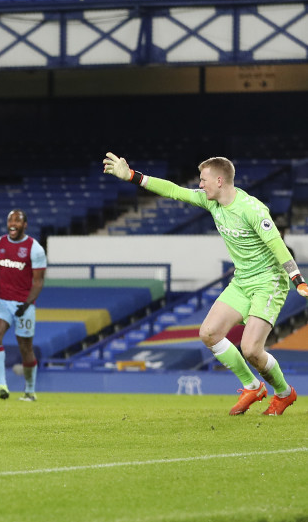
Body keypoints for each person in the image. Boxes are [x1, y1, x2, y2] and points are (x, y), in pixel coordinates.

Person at [103, 152, 305, 415]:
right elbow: (174, 191)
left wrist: (297, 279)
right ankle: (252, 386)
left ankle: (284, 393)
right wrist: (132, 176)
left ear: (219, 181)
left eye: (203, 179)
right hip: (242, 281)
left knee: (251, 349)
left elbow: (276, 244)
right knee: (209, 333)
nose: (199, 185)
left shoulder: (251, 208)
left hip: (269, 282)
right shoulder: (212, 203)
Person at [0, 209, 46, 401]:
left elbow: (38, 282)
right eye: (10, 219)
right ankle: (2, 385)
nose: (13, 223)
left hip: (25, 304)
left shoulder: (34, 248)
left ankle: (30, 391)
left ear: (25, 225)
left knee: (25, 348)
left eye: (17, 220)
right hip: (3, 301)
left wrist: (27, 304)